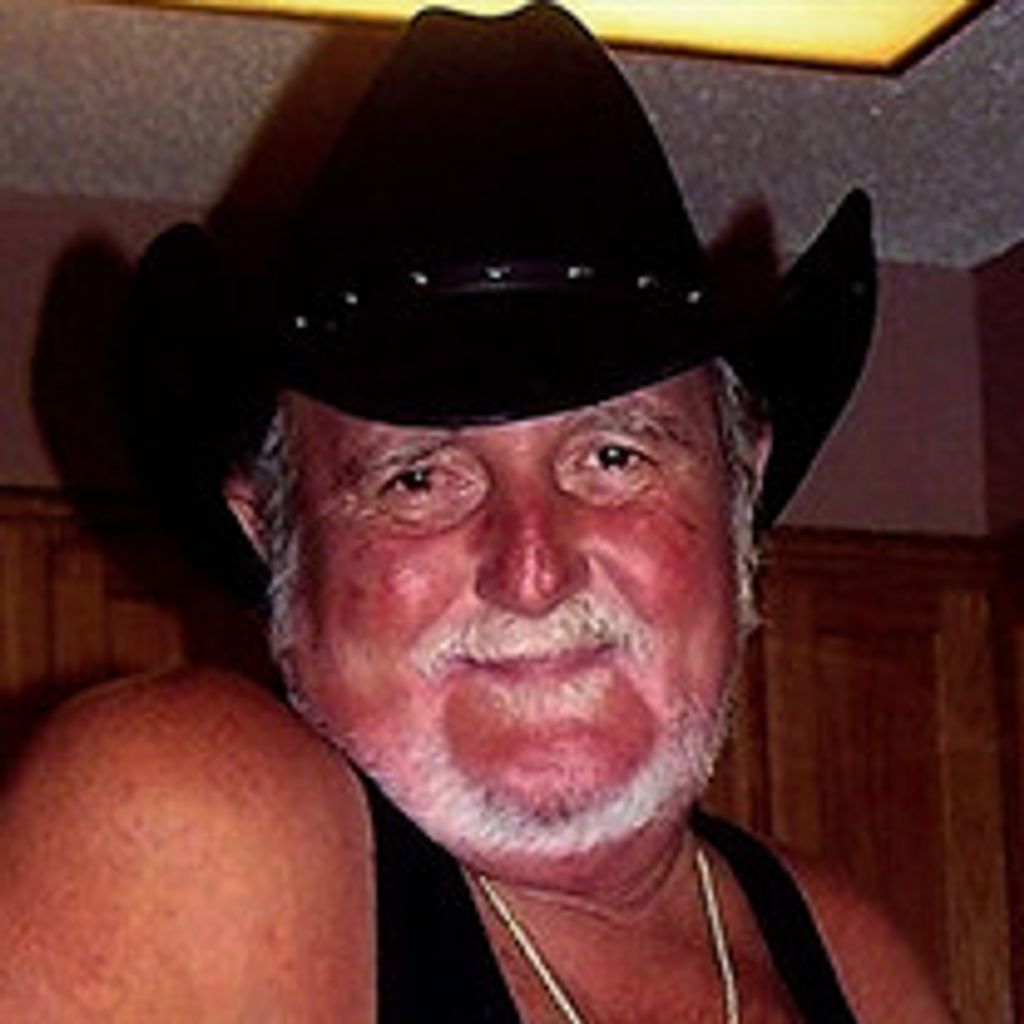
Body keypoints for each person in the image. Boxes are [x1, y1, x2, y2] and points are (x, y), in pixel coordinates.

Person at [0, 4, 951, 1021]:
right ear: (272, 536)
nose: (531, 568)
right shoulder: (181, 810)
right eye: (418, 479)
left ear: (741, 487)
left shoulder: (854, 961)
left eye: (613, 456)